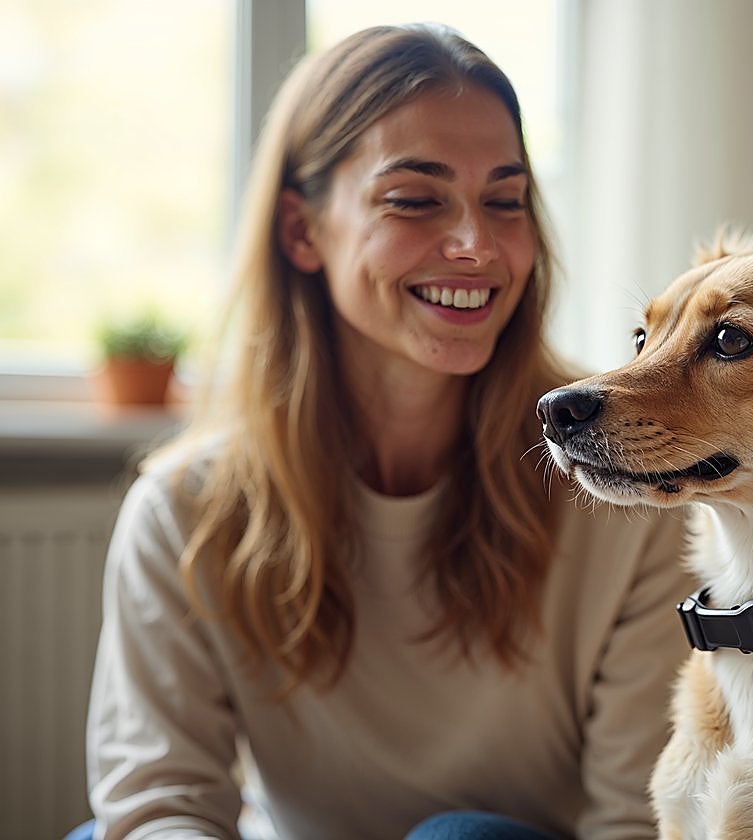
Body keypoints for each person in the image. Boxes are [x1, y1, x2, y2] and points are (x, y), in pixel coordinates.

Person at [79, 24, 693, 840]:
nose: (477, 244)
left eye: (505, 201)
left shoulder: (628, 485)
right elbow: (159, 804)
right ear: (302, 231)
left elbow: (639, 821)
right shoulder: (183, 511)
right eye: (415, 199)